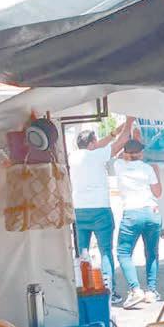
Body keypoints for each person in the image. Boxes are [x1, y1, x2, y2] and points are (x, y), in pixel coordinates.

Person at [68, 117, 134, 300]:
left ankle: (84, 289)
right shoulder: (98, 156)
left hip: (79, 210)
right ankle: (109, 292)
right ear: (91, 144)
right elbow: (122, 142)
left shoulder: (73, 157)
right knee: (105, 252)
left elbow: (101, 145)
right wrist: (129, 122)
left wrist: (113, 132)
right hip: (100, 210)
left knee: (82, 253)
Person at [114, 137, 163, 309]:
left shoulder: (119, 166)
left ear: (126, 154)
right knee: (151, 253)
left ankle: (135, 289)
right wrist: (156, 172)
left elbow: (118, 155)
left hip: (131, 214)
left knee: (124, 253)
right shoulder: (148, 169)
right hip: (151, 212)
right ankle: (151, 291)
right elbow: (158, 193)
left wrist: (126, 154)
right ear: (141, 154)